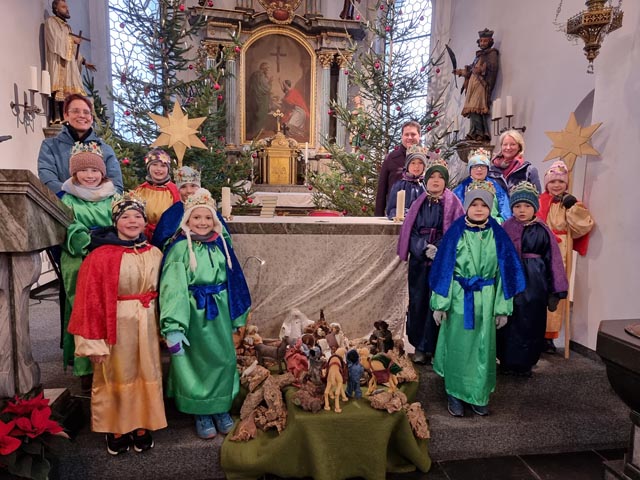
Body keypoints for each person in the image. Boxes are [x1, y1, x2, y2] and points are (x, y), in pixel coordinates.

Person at [68, 192, 167, 455]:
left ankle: (144, 423)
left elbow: (167, 291)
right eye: (126, 216)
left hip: (146, 321)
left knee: (148, 371)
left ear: (145, 221)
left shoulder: (155, 253)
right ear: (116, 222)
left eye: (137, 216)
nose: (132, 221)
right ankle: (117, 426)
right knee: (118, 372)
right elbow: (89, 301)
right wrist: (93, 343)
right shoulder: (100, 256)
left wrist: (166, 327)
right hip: (117, 324)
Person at [159, 188, 251, 439]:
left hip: (219, 312)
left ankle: (220, 407)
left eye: (208, 218)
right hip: (192, 313)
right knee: (195, 360)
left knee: (223, 358)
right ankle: (200, 410)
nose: (202, 223)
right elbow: (173, 288)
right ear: (187, 220)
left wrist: (236, 318)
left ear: (215, 220)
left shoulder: (221, 243)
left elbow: (234, 281)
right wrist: (174, 326)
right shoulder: (179, 248)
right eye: (196, 218)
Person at [429, 181, 525, 417]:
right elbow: (445, 271)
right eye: (474, 204)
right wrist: (440, 304)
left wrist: (503, 308)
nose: (479, 209)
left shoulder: (498, 236)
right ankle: (455, 393)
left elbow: (506, 275)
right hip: (460, 299)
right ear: (467, 206)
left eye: (484, 204)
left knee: (483, 349)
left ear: (490, 207)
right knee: (458, 348)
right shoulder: (455, 233)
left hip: (487, 301)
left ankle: (479, 394)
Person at [59, 142, 116, 390]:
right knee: (84, 308)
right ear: (75, 173)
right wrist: (88, 240)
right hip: (80, 255)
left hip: (109, 253)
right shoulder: (67, 198)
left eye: (95, 171)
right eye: (84, 171)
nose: (90, 175)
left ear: (102, 172)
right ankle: (85, 369)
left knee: (110, 305)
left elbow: (124, 219)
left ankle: (114, 361)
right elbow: (67, 226)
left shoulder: (113, 196)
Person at [397, 157, 465, 364]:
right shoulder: (418, 203)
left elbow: (457, 231)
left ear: (445, 181)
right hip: (420, 261)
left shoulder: (453, 202)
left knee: (439, 303)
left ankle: (437, 347)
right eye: (432, 177)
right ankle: (419, 346)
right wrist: (422, 248)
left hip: (442, 262)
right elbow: (412, 231)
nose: (435, 181)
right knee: (419, 302)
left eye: (439, 177)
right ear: (426, 181)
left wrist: (440, 249)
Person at [499, 182, 568, 376]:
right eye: (518, 206)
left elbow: (553, 260)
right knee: (511, 322)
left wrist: (556, 290)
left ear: (534, 208)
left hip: (536, 282)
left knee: (532, 321)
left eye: (527, 206)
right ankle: (507, 361)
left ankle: (526, 363)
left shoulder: (542, 229)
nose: (522, 210)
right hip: (512, 280)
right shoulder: (507, 227)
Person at [537, 160, 594, 353]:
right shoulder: (539, 201)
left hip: (561, 252)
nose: (556, 185)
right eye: (552, 181)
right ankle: (535, 331)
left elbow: (583, 226)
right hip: (542, 249)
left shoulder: (571, 203)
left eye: (560, 182)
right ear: (547, 183)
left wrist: (572, 209)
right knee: (539, 289)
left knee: (557, 292)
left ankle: (549, 336)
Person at [38, 94, 123, 195]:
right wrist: (73, 199)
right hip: (62, 206)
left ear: (91, 118)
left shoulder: (105, 149)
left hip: (98, 207)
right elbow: (48, 179)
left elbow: (116, 185)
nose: (82, 115)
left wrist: (95, 201)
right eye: (75, 111)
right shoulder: (50, 146)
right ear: (66, 115)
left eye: (86, 112)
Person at [45, 0, 96, 123]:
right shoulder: (51, 22)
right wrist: (71, 39)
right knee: (58, 87)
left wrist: (84, 62)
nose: (67, 9)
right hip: (58, 61)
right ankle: (56, 116)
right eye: (63, 7)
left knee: (70, 90)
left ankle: (67, 115)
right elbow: (55, 41)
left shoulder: (67, 27)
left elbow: (73, 51)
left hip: (68, 63)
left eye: (67, 7)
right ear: (56, 9)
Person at [454, 28, 499, 141]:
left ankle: (480, 132)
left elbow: (492, 68)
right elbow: (470, 70)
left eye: (485, 41)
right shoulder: (478, 55)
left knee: (476, 107)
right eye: (481, 41)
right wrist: (461, 72)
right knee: (472, 109)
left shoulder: (492, 54)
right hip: (473, 84)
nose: (483, 43)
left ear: (490, 41)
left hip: (481, 85)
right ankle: (473, 132)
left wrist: (482, 70)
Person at [151, 165, 208, 251]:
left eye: (193, 186)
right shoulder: (171, 214)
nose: (189, 191)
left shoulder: (209, 210)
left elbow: (223, 239)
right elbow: (159, 242)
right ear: (178, 189)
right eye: (183, 187)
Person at [374, 120, 421, 216]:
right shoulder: (391, 158)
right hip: (395, 215)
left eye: (413, 134)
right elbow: (382, 191)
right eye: (406, 134)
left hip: (421, 217)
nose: (409, 137)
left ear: (419, 136)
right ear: (402, 137)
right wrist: (378, 217)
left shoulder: (427, 158)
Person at [453, 148, 511, 223]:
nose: (479, 169)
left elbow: (505, 211)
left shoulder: (496, 187)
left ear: (488, 169)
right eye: (475, 166)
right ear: (470, 169)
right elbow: (454, 212)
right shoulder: (460, 189)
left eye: (483, 166)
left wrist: (498, 221)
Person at [134, 148, 180, 241]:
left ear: (167, 169)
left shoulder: (175, 191)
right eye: (154, 165)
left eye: (163, 166)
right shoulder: (140, 190)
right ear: (148, 167)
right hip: (142, 237)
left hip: (166, 237)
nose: (158, 169)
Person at [488, 129, 540, 193]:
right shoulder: (491, 171)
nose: (508, 148)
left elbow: (537, 197)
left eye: (512, 144)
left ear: (519, 147)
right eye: (505, 144)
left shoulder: (528, 171)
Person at [385, 145, 428, 219]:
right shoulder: (399, 185)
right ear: (407, 165)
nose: (416, 166)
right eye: (413, 163)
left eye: (420, 163)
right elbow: (391, 209)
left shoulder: (427, 185)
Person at [247, 62, 274, 138]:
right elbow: (266, 89)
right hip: (261, 99)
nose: (268, 70)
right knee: (261, 114)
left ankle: (257, 131)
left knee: (256, 114)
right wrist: (270, 82)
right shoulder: (260, 76)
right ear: (264, 69)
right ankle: (257, 131)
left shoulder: (255, 75)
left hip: (254, 98)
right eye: (267, 68)